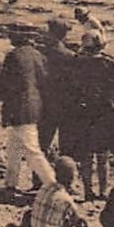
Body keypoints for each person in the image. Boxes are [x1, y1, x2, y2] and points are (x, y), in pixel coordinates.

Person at [0, 29, 55, 196]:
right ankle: (10, 183)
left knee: (32, 150)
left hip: (18, 108)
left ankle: (52, 184)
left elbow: (2, 85)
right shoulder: (38, 56)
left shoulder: (13, 56)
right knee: (14, 147)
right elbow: (45, 82)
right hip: (34, 106)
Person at [77, 30, 114, 199]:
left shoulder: (78, 64)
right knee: (103, 156)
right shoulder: (112, 65)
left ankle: (88, 191)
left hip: (85, 113)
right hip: (106, 114)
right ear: (101, 46)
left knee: (86, 156)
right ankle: (102, 191)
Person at [38, 17, 85, 161]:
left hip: (45, 103)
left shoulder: (40, 52)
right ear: (64, 35)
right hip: (65, 106)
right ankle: (64, 177)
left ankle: (37, 179)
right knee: (66, 146)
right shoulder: (70, 56)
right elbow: (77, 84)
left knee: (42, 144)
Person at [24, 156, 89, 227]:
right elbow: (78, 222)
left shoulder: (44, 187)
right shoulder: (66, 199)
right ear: (71, 178)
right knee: (70, 220)